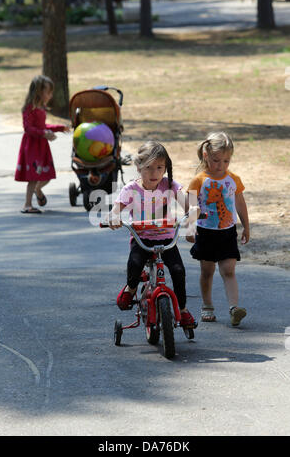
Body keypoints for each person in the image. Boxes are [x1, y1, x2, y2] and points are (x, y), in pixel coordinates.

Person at [107, 140, 197, 328]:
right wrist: (114, 217)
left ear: (165, 168)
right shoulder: (131, 189)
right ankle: (131, 288)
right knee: (135, 264)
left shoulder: (169, 185)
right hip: (142, 238)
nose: (154, 173)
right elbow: (116, 209)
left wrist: (193, 211)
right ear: (139, 167)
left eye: (159, 167)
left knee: (179, 272)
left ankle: (182, 310)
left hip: (167, 238)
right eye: (149, 167)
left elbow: (187, 203)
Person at [186, 132, 250, 326]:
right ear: (206, 155)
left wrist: (246, 226)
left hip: (227, 232)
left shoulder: (233, 179)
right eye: (216, 160)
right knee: (207, 271)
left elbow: (240, 202)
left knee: (228, 270)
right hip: (206, 233)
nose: (221, 165)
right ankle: (207, 306)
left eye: (226, 161)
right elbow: (190, 206)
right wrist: (190, 228)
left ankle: (234, 308)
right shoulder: (199, 180)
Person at [15, 75, 69, 214]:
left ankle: (38, 190)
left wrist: (59, 128)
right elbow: (28, 128)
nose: (50, 95)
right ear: (39, 92)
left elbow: (42, 125)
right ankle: (27, 205)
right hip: (32, 146)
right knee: (33, 176)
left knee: (47, 174)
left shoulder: (41, 108)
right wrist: (44, 134)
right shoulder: (29, 108)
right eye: (48, 92)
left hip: (41, 147)